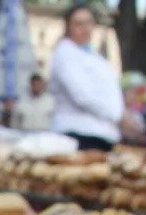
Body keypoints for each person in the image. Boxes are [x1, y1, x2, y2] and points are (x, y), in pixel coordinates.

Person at [49, 5, 122, 151]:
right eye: (78, 24)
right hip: (79, 135)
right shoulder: (65, 54)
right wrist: (116, 115)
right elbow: (83, 96)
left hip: (103, 134)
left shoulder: (93, 56)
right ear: (68, 27)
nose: (85, 29)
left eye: (89, 23)